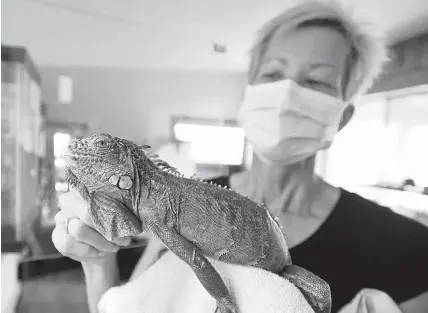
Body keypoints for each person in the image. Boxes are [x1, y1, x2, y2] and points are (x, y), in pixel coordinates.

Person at [52, 1, 428, 312]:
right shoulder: (171, 201)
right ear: (249, 95)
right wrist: (96, 262)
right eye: (273, 73)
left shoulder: (408, 247)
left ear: (343, 116)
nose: (287, 92)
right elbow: (129, 304)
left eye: (316, 80)